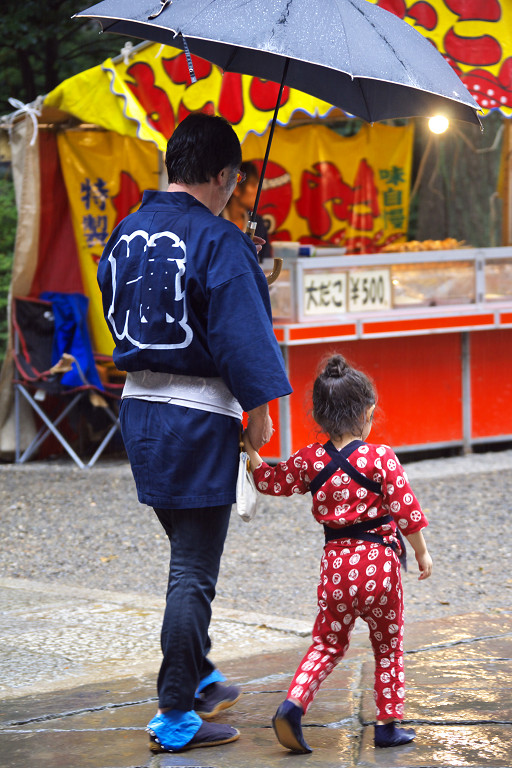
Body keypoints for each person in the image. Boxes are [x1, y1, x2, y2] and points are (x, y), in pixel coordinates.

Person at [96, 113, 292, 754]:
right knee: (192, 571)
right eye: (234, 180)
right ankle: (177, 711)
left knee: (184, 554)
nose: (236, 190)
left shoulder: (125, 232)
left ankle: (198, 673)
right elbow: (239, 335)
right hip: (200, 419)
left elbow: (130, 303)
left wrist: (246, 269)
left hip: (142, 416)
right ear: (222, 174)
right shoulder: (222, 240)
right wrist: (259, 414)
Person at [243, 354, 432, 752]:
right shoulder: (381, 458)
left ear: (317, 414)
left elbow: (271, 481)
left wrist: (251, 451)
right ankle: (387, 724)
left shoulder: (310, 461)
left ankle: (293, 705)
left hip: (337, 570)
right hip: (380, 567)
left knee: (327, 642)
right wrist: (421, 554)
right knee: (388, 645)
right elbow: (407, 511)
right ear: (368, 411)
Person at [222, 160, 272, 262]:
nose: (258, 191)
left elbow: (265, 262)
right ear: (236, 189)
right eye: (253, 185)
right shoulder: (215, 219)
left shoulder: (258, 223)